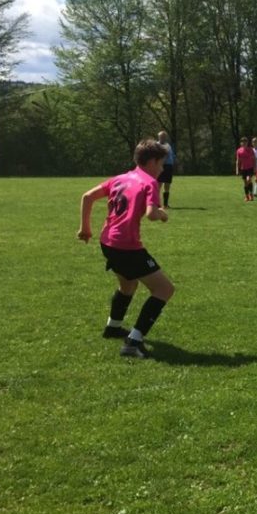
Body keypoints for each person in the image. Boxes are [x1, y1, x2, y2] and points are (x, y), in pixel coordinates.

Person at [77, 138, 175, 358]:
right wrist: (161, 214)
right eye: (161, 164)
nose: (162, 169)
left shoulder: (120, 178)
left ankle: (113, 327)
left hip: (108, 242)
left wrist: (85, 229)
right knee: (164, 289)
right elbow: (151, 214)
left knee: (128, 285)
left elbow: (87, 197)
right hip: (127, 246)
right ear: (151, 162)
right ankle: (133, 342)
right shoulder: (149, 182)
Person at [157, 131, 175, 208]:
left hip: (168, 166)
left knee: (167, 185)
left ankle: (165, 204)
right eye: (161, 137)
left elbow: (167, 156)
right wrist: (159, 166)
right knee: (158, 185)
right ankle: (157, 203)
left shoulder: (167, 145)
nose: (162, 138)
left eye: (164, 137)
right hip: (161, 166)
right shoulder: (157, 145)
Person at [235, 137, 256, 202]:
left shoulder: (251, 150)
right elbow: (238, 161)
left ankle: (251, 195)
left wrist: (255, 168)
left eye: (245, 142)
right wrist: (237, 170)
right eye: (243, 142)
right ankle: (247, 196)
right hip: (243, 169)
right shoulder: (239, 151)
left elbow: (254, 159)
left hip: (250, 168)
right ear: (241, 143)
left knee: (248, 179)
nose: (244, 143)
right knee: (245, 183)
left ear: (247, 143)